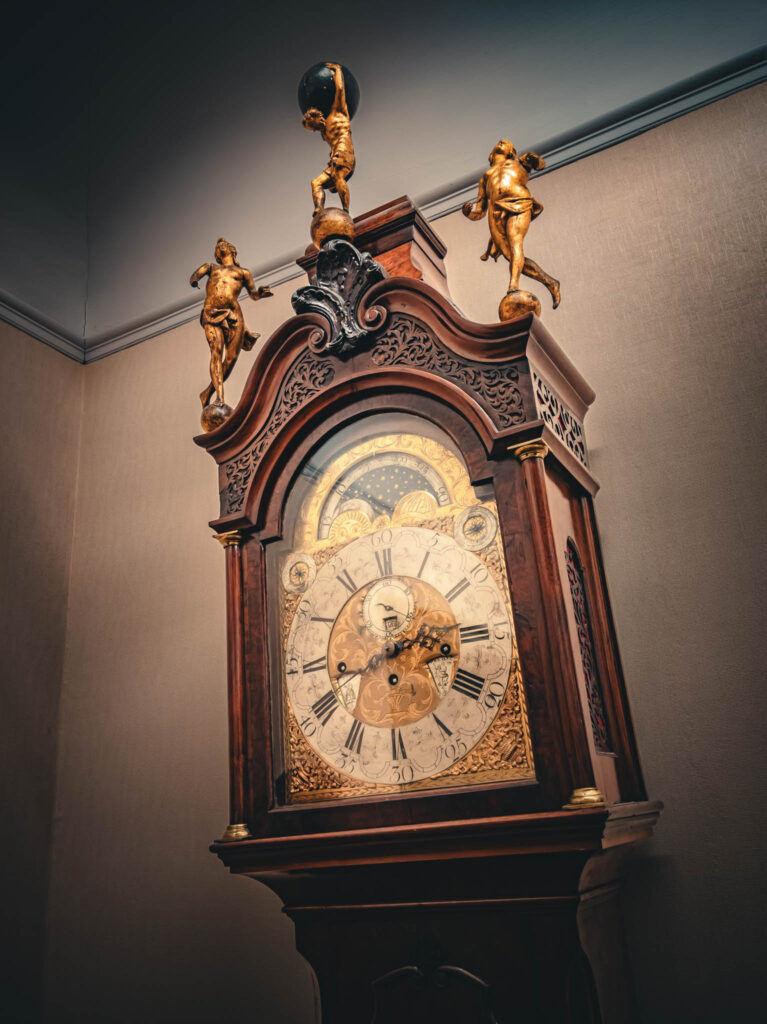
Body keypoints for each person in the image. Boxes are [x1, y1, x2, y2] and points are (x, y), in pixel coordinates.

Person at [463, 139, 560, 307]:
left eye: (506, 143)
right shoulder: (485, 177)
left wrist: (536, 160)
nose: (501, 141)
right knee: (511, 256)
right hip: (495, 213)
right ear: (492, 153)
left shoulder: (519, 162)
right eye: (499, 142)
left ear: (511, 152)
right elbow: (480, 211)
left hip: (519, 203)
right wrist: (468, 214)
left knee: (516, 244)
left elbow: (541, 165)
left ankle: (513, 286)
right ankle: (550, 282)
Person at [189, 238, 272, 409]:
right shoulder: (212, 267)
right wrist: (195, 279)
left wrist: (260, 293)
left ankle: (207, 392)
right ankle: (220, 397)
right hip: (211, 313)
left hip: (234, 314)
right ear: (217, 254)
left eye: (224, 245)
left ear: (233, 251)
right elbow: (196, 274)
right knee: (216, 351)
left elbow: (253, 294)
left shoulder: (243, 273)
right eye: (219, 246)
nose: (221, 246)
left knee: (232, 358)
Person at [302, 62, 356, 213]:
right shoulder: (324, 132)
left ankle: (345, 210)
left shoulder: (338, 112)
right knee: (316, 183)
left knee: (339, 175)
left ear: (315, 117)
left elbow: (339, 89)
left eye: (312, 126)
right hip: (334, 157)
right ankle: (319, 209)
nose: (315, 130)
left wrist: (337, 70)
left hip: (344, 151)